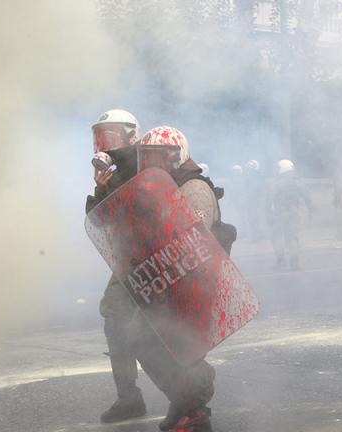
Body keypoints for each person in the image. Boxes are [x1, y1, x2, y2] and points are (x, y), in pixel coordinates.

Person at [133, 126, 220, 432]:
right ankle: (182, 403)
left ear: (177, 156)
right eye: (148, 158)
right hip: (168, 282)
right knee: (145, 342)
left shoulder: (193, 187)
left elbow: (191, 237)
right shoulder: (161, 186)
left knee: (186, 350)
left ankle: (196, 413)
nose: (152, 165)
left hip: (194, 284)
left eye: (158, 157)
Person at [85, 109, 147, 423]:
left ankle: (189, 397)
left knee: (171, 325)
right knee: (114, 315)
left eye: (113, 134)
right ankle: (128, 396)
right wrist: (102, 188)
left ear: (132, 133)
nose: (106, 143)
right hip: (129, 259)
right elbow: (100, 221)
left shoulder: (149, 162)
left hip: (157, 253)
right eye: (102, 134)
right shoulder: (110, 171)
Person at [268, 159, 312, 270]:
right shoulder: (298, 182)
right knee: (293, 237)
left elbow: (269, 200)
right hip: (294, 213)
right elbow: (307, 197)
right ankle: (295, 262)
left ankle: (281, 261)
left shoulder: (276, 183)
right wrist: (310, 209)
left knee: (276, 236)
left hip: (280, 214)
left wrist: (268, 214)